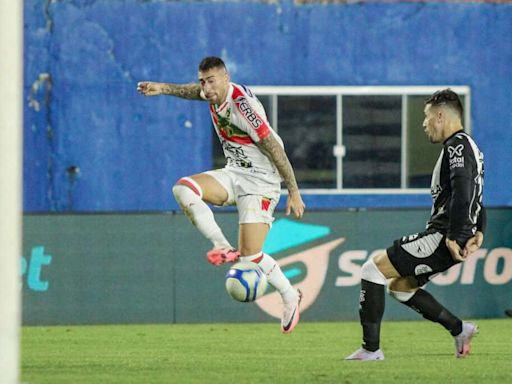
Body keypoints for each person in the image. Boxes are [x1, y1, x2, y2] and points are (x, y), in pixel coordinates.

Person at [137, 56, 305, 333]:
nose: (206, 88)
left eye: (211, 81)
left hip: (261, 182)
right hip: (235, 171)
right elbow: (193, 92)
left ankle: (290, 295)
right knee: (183, 188)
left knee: (251, 256)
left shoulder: (243, 107)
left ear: (226, 78)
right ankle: (221, 245)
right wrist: (162, 88)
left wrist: (294, 192)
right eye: (203, 81)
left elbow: (275, 147)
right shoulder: (210, 92)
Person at [345, 89, 485, 360]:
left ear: (441, 115)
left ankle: (370, 350)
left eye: (427, 117)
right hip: (454, 236)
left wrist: (456, 235)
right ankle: (460, 330)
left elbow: (464, 189)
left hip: (444, 236)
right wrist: (479, 230)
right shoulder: (471, 147)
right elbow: (477, 195)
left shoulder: (457, 145)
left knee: (372, 269)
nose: (424, 123)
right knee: (401, 287)